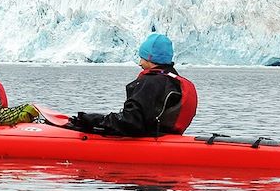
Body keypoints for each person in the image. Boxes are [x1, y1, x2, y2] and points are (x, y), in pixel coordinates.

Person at [68, 33, 198, 136]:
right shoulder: (173, 81)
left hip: (149, 140)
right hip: (167, 137)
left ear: (151, 58)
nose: (140, 63)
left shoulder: (150, 82)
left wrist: (94, 120)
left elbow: (130, 123)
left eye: (142, 57)